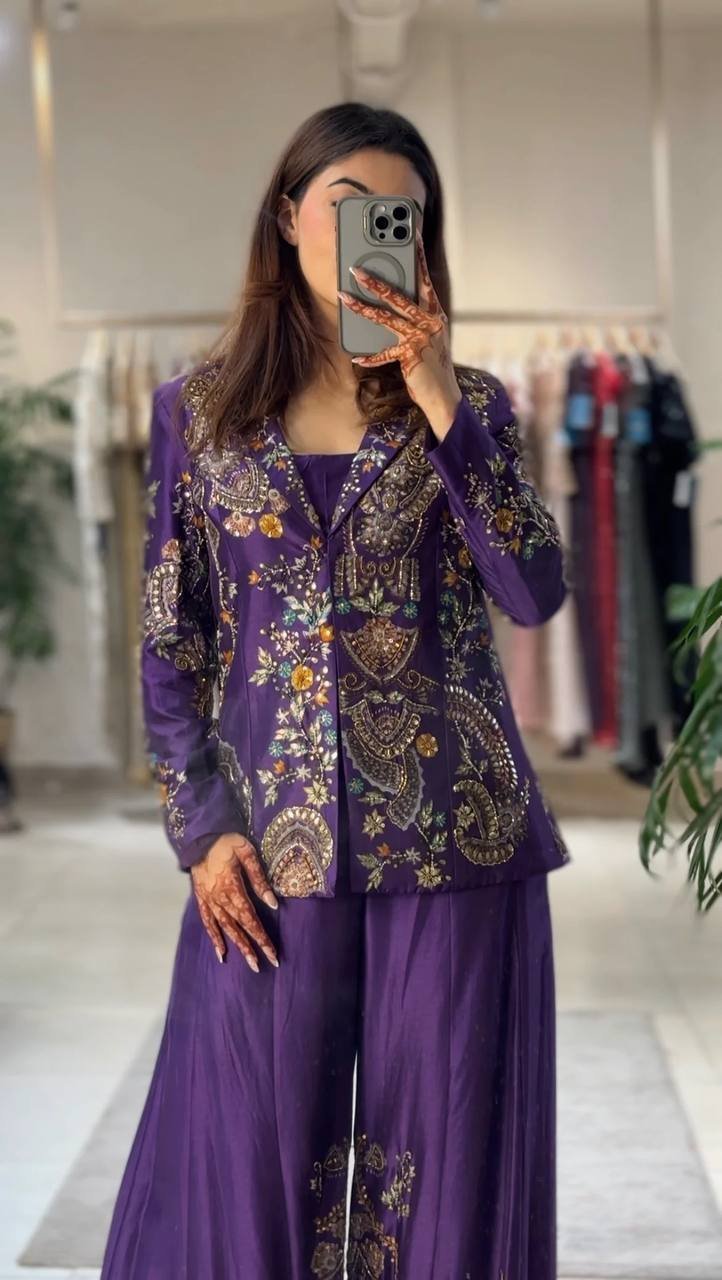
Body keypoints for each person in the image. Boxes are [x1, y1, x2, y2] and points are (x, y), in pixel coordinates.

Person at [100, 100, 572, 1280]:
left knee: (448, 1160)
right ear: (286, 215)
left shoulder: (471, 407)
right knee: (249, 1149)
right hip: (269, 845)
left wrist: (438, 396)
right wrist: (200, 831)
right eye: (346, 204)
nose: (371, 231)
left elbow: (531, 591)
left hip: (456, 838)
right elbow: (171, 639)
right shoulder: (197, 413)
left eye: (398, 213)